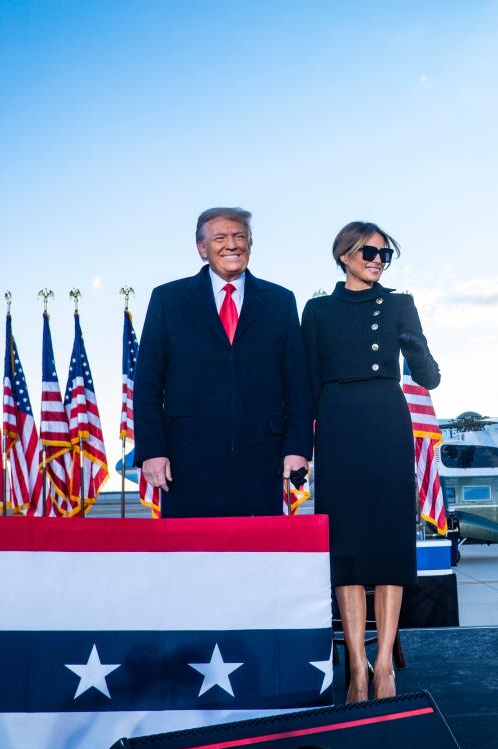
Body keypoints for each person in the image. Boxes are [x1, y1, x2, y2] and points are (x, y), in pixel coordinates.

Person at [302, 220, 440, 703]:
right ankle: (356, 667)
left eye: (385, 254)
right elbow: (306, 384)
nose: (378, 260)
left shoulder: (400, 305)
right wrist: (301, 447)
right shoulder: (317, 310)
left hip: (386, 421)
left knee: (386, 545)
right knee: (348, 550)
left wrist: (413, 342)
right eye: (369, 252)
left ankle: (384, 669)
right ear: (344, 255)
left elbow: (429, 376)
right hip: (338, 427)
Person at [133, 207, 311, 517]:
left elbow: (296, 383)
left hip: (262, 459)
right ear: (202, 249)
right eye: (220, 237)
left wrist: (297, 447)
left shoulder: (281, 301)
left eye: (240, 236)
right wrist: (152, 451)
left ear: (250, 244)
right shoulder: (168, 299)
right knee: (191, 557)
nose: (232, 244)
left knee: (258, 556)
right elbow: (149, 382)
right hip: (185, 460)